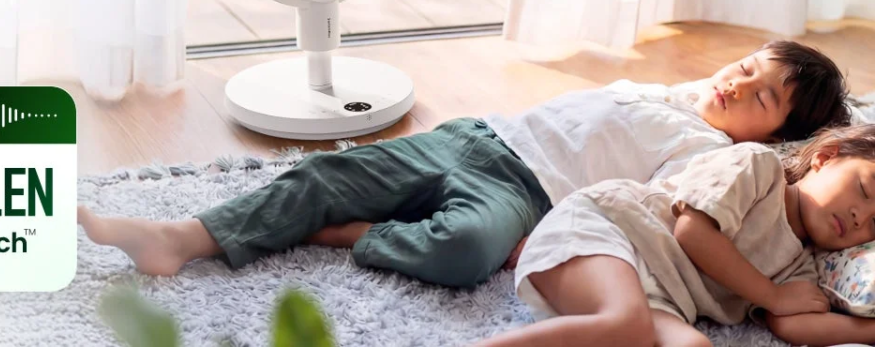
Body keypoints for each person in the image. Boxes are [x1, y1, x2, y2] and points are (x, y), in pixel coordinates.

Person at [78, 40, 850, 289]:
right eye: (746, 67)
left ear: (778, 135)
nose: (737, 84)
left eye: (762, 96)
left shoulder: (713, 156)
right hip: (476, 137)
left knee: (465, 251)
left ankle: (341, 233)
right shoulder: (673, 91)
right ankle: (182, 235)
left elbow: (646, 212)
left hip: (528, 195)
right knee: (323, 175)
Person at [478, 124, 875, 347]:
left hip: (657, 299)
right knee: (625, 323)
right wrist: (772, 295)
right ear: (825, 157)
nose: (861, 218)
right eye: (864, 190)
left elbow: (790, 323)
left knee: (692, 346)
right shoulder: (758, 167)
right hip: (609, 231)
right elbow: (693, 232)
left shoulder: (802, 264)